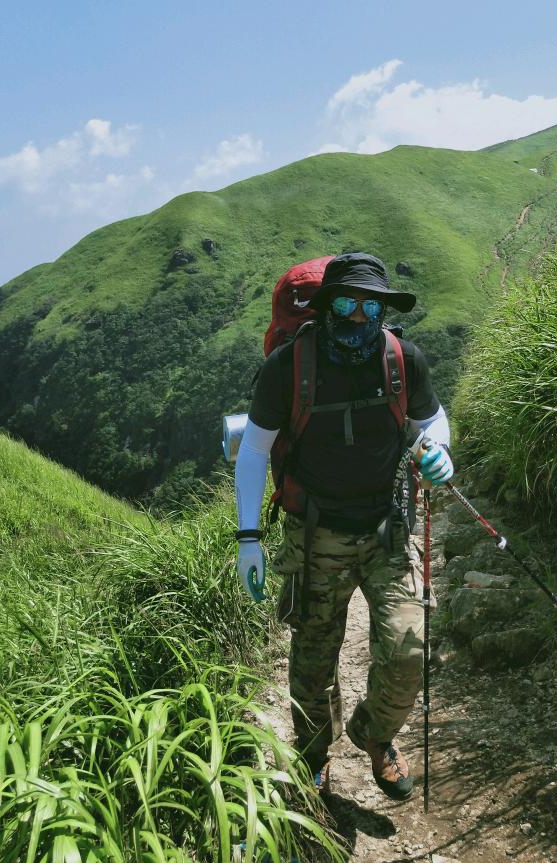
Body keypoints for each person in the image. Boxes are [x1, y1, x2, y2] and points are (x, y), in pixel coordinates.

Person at [234, 252, 453, 800]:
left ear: (382, 308)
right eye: (347, 303)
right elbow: (255, 449)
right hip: (314, 534)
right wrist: (249, 540)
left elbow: (431, 420)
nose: (358, 316)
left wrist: (439, 450)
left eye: (369, 305)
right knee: (313, 663)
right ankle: (313, 759)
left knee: (408, 652)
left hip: (386, 530)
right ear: (327, 306)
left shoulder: (404, 359)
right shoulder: (287, 367)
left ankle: (373, 736)